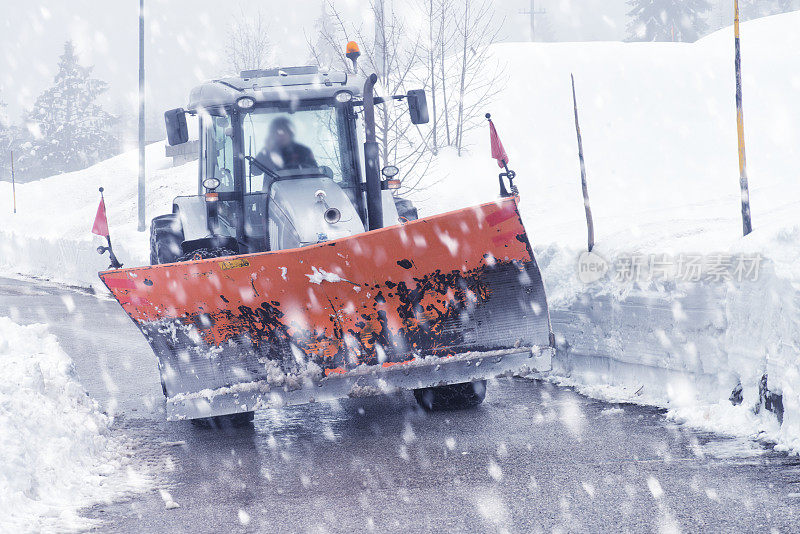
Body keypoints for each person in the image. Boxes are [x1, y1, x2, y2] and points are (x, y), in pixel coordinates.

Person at [251, 116, 317, 176]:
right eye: (277, 132)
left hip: (302, 187)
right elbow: (255, 172)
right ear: (272, 135)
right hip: (272, 188)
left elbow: (315, 171)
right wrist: (266, 152)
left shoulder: (303, 151)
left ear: (290, 133)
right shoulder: (266, 152)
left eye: (283, 131)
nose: (280, 135)